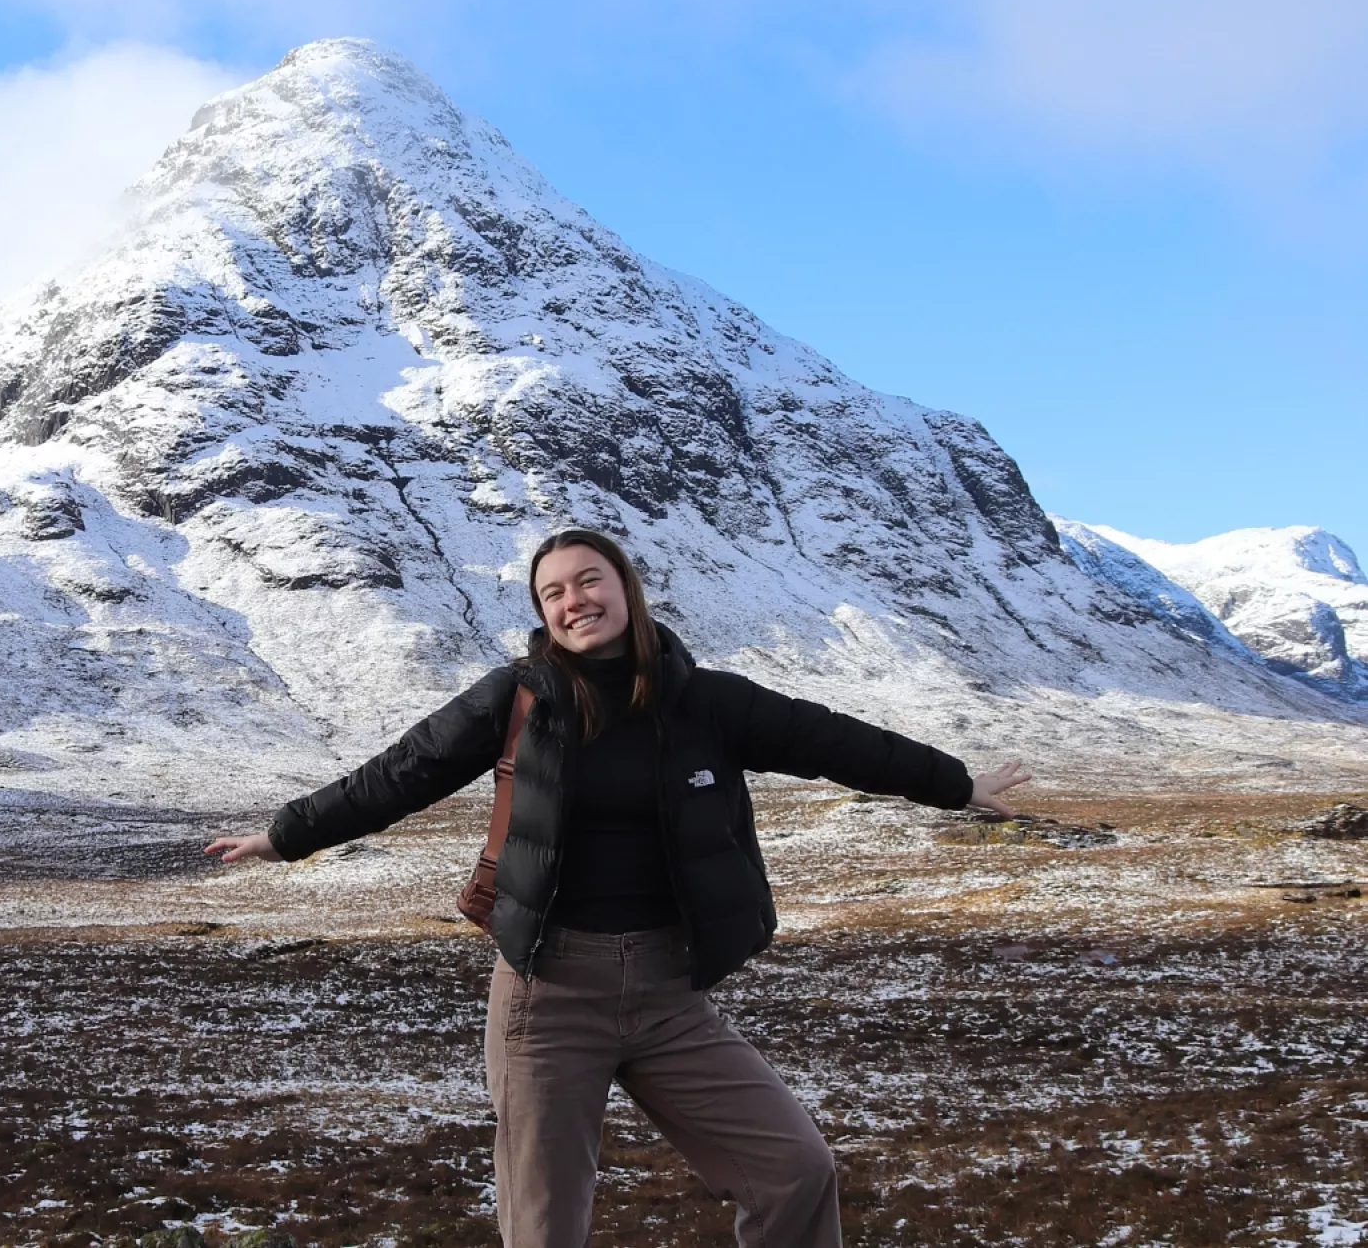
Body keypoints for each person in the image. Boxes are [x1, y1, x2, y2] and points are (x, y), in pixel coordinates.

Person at [206, 527, 1030, 1247]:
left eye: (590, 580)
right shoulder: (516, 699)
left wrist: (956, 784)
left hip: (672, 994)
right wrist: (285, 836)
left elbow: (839, 743)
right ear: (542, 613)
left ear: (626, 589)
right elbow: (401, 773)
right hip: (548, 995)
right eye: (554, 591)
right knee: (544, 1225)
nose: (575, 600)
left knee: (795, 1171)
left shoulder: (708, 702)